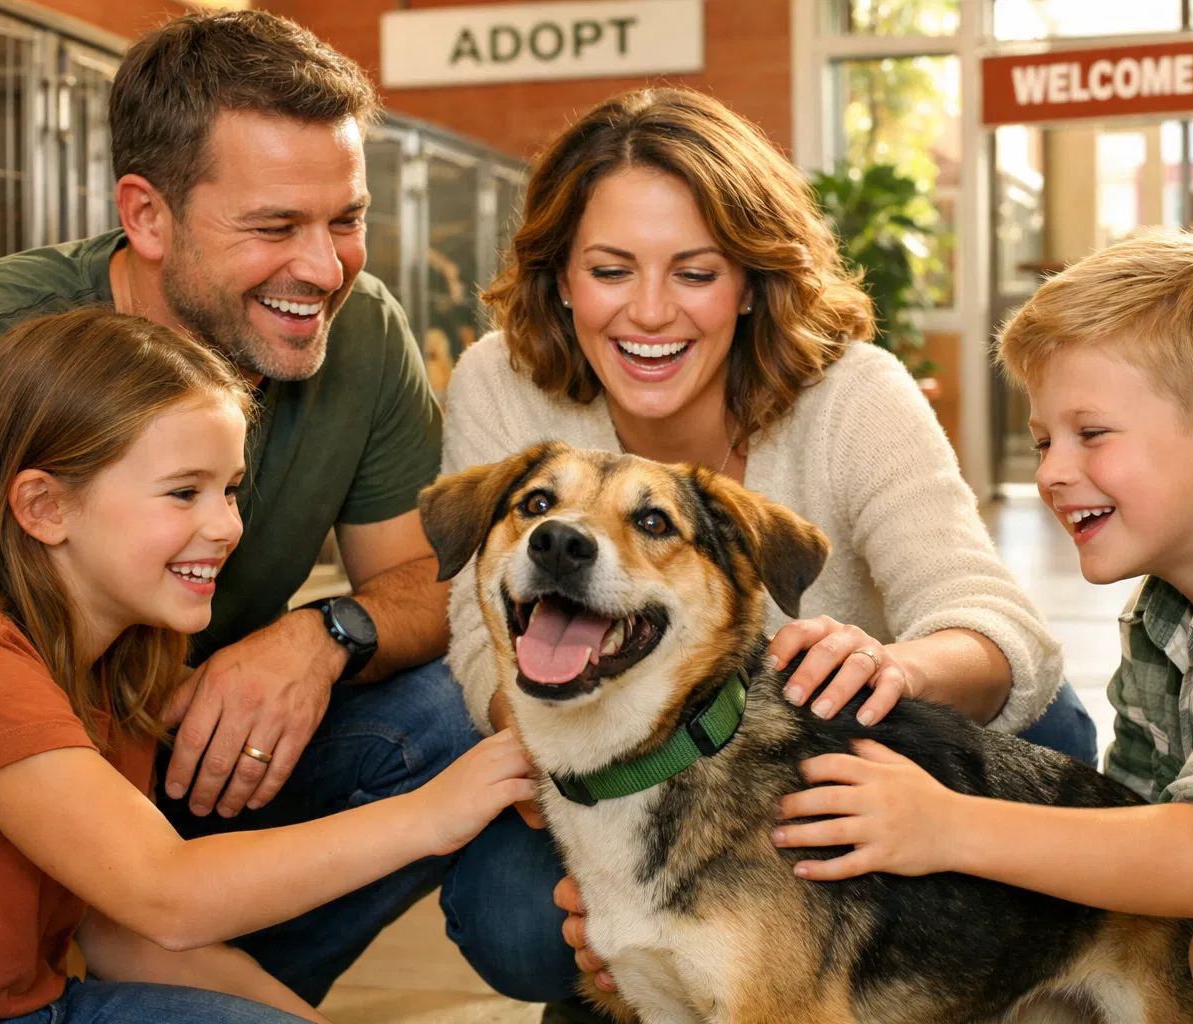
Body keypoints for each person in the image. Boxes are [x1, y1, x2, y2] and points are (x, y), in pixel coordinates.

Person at [0, 9, 531, 1005]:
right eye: (276, 225)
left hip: (166, 764)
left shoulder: (355, 329)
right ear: (147, 216)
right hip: (11, 818)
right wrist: (438, 813)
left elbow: (436, 588)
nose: (326, 269)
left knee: (446, 708)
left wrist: (320, 634)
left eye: (347, 219)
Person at [440, 86, 1093, 1015]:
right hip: (604, 764)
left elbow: (988, 616)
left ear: (750, 281)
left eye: (696, 273)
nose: (652, 313)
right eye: (611, 270)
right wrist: (617, 859)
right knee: (517, 913)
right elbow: (480, 641)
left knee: (1051, 735)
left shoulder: (854, 395)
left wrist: (892, 666)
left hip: (841, 749)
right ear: (559, 277)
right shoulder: (500, 383)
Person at [775, 232, 1193, 1024]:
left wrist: (944, 825)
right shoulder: (1168, 608)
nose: (1052, 470)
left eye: (1091, 434)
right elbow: (1128, 836)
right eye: (1045, 439)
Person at [0, 307, 535, 1023]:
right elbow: (164, 895)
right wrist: (432, 814)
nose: (227, 526)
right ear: (45, 507)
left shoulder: (117, 659)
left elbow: (129, 939)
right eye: (184, 492)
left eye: (229, 490)